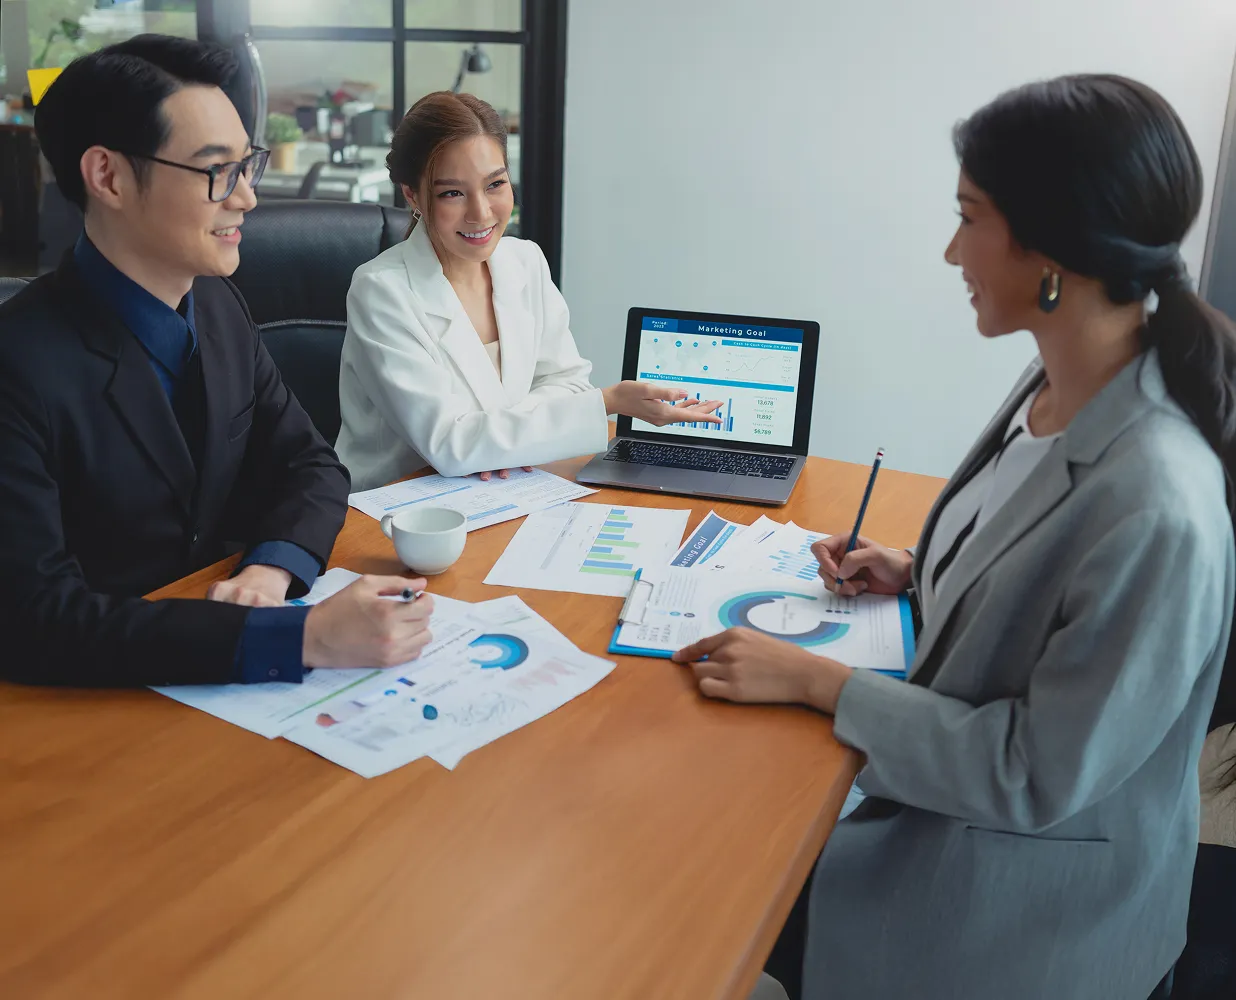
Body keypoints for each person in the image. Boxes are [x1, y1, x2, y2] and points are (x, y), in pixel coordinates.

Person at [673, 75, 1236, 999]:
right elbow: (1031, 575)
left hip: (1022, 917)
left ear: (1050, 244)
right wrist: (917, 571)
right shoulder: (1055, 380)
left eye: (968, 216)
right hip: (931, 826)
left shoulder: (1159, 504)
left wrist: (821, 683)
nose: (949, 250)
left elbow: (1031, 771)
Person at [0, 35, 433, 687]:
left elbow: (308, 464)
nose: (246, 198)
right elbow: (36, 619)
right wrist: (296, 635)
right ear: (108, 176)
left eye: (247, 165)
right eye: (216, 170)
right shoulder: (18, 363)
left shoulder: (218, 303)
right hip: (79, 711)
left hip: (215, 689)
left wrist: (271, 570)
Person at [335, 91, 723, 491]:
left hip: (504, 491)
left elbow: (569, 382)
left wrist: (496, 442)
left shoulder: (525, 261)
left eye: (495, 184)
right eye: (452, 192)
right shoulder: (381, 292)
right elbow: (451, 444)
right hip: (396, 511)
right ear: (413, 195)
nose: (481, 212)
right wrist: (605, 404)